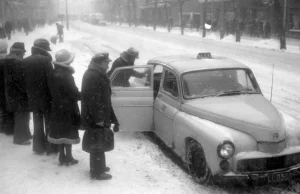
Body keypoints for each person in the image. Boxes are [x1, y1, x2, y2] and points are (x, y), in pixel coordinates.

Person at [81, 53, 114, 180]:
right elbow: (93, 100)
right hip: (95, 115)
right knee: (97, 142)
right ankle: (97, 171)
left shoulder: (96, 73)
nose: (108, 64)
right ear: (99, 63)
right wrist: (99, 118)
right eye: (106, 62)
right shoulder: (93, 75)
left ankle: (100, 166)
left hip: (99, 113)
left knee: (100, 141)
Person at [23, 38, 58, 154]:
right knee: (49, 123)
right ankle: (50, 147)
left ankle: (38, 147)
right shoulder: (46, 61)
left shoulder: (25, 61)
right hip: (46, 97)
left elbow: (23, 81)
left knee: (37, 123)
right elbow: (51, 81)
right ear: (43, 48)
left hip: (32, 97)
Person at [47, 49, 81, 165]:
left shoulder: (52, 73)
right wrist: (81, 95)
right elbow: (73, 92)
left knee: (59, 132)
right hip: (68, 108)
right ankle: (69, 157)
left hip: (56, 106)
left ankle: (61, 156)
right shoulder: (67, 76)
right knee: (68, 132)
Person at [4, 42, 32, 144]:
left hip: (12, 93)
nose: (24, 55)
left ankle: (26, 134)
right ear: (18, 53)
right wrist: (26, 91)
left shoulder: (8, 61)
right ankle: (20, 138)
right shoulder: (16, 63)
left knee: (22, 115)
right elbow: (19, 81)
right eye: (23, 53)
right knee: (22, 115)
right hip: (18, 95)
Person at [0, 40, 13, 135]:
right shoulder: (9, 60)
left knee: (2, 108)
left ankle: (2, 125)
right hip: (7, 87)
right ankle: (8, 127)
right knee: (7, 107)